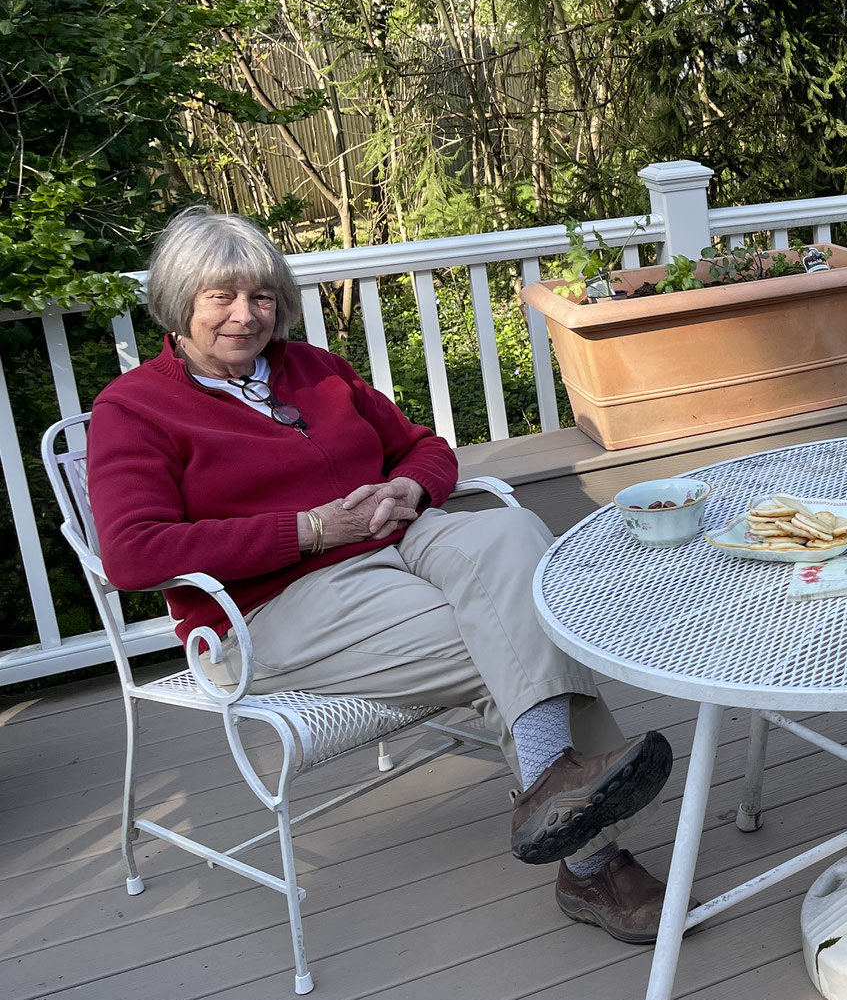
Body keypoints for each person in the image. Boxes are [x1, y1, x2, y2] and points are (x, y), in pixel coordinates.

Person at [88, 208, 675, 942]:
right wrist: (305, 531)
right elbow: (135, 553)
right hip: (271, 604)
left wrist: (410, 490)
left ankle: (552, 790)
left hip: (397, 539)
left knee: (513, 535)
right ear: (179, 303)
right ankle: (592, 865)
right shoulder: (135, 410)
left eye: (262, 297)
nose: (246, 315)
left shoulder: (315, 369)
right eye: (221, 297)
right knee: (513, 639)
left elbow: (423, 448)